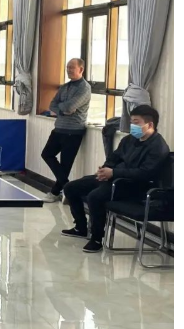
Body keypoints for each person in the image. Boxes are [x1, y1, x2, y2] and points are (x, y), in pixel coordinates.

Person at [62, 105, 170, 253]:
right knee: (70, 188)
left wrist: (114, 173)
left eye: (136, 123)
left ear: (150, 125)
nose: (132, 127)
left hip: (135, 186)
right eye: (131, 122)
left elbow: (145, 173)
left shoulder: (158, 147)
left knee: (95, 197)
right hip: (115, 178)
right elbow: (114, 158)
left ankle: (96, 239)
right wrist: (104, 170)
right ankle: (80, 227)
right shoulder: (129, 140)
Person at [40, 58, 92, 203]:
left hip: (73, 131)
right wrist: (63, 110)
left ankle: (55, 192)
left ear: (81, 69)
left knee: (65, 164)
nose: (68, 70)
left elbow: (70, 106)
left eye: (72, 67)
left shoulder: (84, 88)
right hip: (59, 128)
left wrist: (62, 108)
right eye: (67, 67)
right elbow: (52, 105)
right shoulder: (64, 86)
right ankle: (69, 188)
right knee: (47, 154)